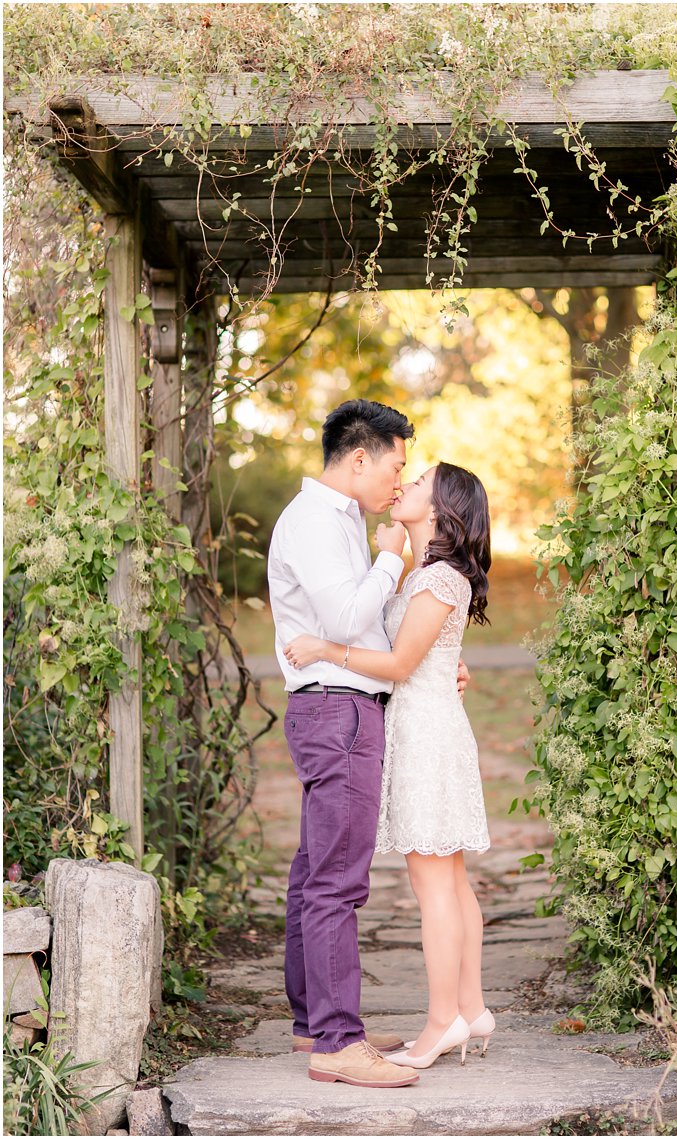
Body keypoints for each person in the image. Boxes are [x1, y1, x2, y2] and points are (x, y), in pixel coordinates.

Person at [286, 462, 495, 1070]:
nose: (404, 483)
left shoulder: (437, 579)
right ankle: (472, 1007)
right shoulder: (432, 574)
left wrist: (326, 648)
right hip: (429, 725)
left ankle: (440, 1023)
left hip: (427, 735)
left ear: (441, 508)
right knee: (451, 880)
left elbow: (401, 663)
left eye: (419, 479)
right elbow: (425, 653)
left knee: (434, 886)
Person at [267, 399, 419, 1089]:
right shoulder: (315, 522)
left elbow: (359, 626)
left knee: (313, 869)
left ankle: (313, 1020)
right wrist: (391, 560)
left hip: (334, 709)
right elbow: (346, 618)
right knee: (336, 880)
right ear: (361, 457)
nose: (399, 481)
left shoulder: (338, 519)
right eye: (396, 465)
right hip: (338, 712)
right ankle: (336, 1039)